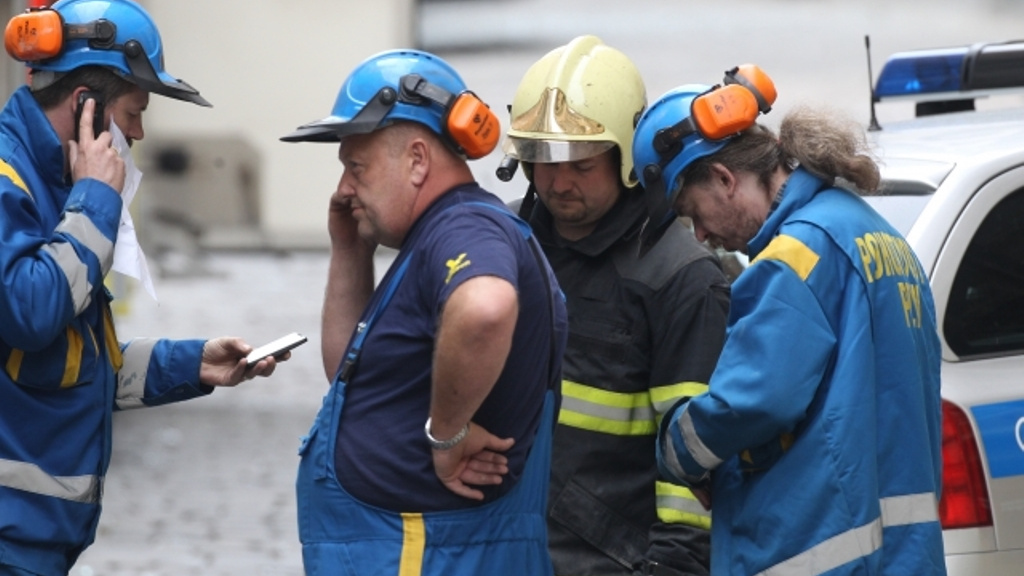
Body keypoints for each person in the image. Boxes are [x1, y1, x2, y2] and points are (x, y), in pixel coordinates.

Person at [0, 1, 286, 574]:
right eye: (133, 111)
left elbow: (70, 361)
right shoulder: (15, 182)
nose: (138, 131)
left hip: (33, 537)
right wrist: (96, 201)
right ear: (86, 105)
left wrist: (195, 364)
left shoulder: (55, 185)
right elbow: (28, 312)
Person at [632, 71, 946, 575]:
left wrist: (676, 451)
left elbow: (751, 402)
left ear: (724, 179)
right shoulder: (879, 237)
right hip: (905, 557)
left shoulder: (795, 258)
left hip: (822, 553)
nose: (702, 236)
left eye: (693, 213)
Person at [280, 48, 569, 576]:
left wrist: (447, 434)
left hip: (430, 552)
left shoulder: (464, 227)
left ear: (417, 160)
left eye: (356, 167)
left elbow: (485, 308)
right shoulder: (438, 231)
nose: (344, 188)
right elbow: (350, 377)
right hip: (415, 547)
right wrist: (350, 252)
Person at [498, 35, 730, 576]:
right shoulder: (501, 243)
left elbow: (696, 458)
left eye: (581, 163)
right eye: (542, 158)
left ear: (626, 157)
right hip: (500, 547)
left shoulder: (680, 278)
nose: (558, 181)